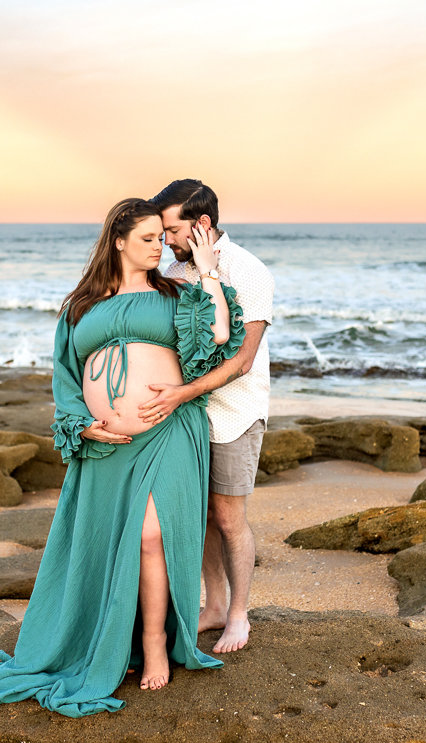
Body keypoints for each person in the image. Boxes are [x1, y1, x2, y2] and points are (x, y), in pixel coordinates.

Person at [0, 198, 243, 717]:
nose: (160, 247)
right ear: (117, 240)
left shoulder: (178, 294)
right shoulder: (80, 306)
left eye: (163, 237)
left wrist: (207, 274)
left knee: (151, 535)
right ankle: (112, 642)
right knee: (112, 545)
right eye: (148, 239)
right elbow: (65, 379)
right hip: (104, 445)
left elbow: (219, 339)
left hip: (167, 431)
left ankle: (155, 643)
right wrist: (82, 422)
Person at [139, 179, 275, 654]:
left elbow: (241, 360)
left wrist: (181, 393)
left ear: (202, 223)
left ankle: (239, 615)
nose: (166, 241)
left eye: (172, 230)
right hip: (186, 414)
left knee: (229, 518)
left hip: (233, 414)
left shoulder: (249, 271)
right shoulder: (176, 270)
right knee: (200, 519)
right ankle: (213, 605)